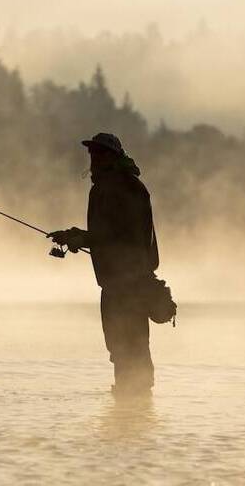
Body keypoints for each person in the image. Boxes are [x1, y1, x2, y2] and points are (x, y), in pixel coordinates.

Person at [49, 133, 159, 396]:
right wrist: (76, 236)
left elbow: (115, 235)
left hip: (124, 284)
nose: (94, 159)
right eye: (92, 154)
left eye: (99, 154)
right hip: (128, 280)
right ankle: (135, 406)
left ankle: (131, 400)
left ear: (113, 156)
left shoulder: (112, 188)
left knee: (125, 344)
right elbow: (111, 234)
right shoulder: (130, 185)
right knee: (130, 345)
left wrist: (78, 238)